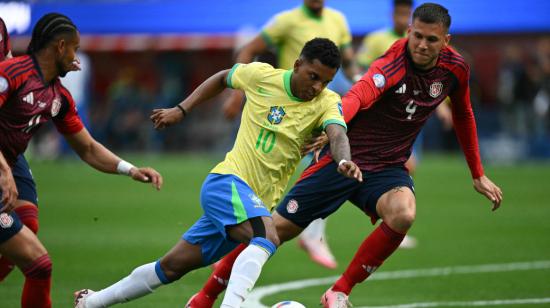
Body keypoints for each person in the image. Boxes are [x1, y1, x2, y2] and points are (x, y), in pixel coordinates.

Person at [189, 3, 503, 308]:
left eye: (431, 39)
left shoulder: (455, 69)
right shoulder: (392, 63)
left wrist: (477, 173)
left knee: (404, 213)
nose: (421, 45)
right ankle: (206, 294)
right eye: (416, 35)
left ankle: (338, 292)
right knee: (274, 231)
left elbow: (463, 113)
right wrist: (333, 128)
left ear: (446, 41)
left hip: (387, 167)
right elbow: (359, 94)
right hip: (343, 158)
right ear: (408, 31)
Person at [73, 38, 362, 308]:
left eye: (324, 81)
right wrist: (181, 109)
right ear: (298, 65)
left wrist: (343, 161)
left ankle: (90, 302)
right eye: (313, 76)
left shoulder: (326, 102)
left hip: (251, 203)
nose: (317, 87)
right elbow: (222, 77)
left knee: (172, 266)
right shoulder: (262, 76)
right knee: (267, 237)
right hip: (227, 183)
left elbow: (337, 134)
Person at [0, 13, 163, 308]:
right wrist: (3, 170)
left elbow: (87, 148)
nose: (77, 57)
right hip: (3, 166)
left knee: (29, 231)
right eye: (74, 48)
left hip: (9, 162)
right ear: (60, 47)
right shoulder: (13, 73)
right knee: (38, 264)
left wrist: (130, 170)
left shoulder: (57, 96)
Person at [223, 0, 358, 271]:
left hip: (314, 112)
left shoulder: (339, 20)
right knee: (258, 186)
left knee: (328, 165)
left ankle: (311, 235)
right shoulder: (287, 20)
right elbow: (250, 49)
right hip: (280, 112)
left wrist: (357, 85)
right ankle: (227, 252)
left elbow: (349, 60)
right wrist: (238, 93)